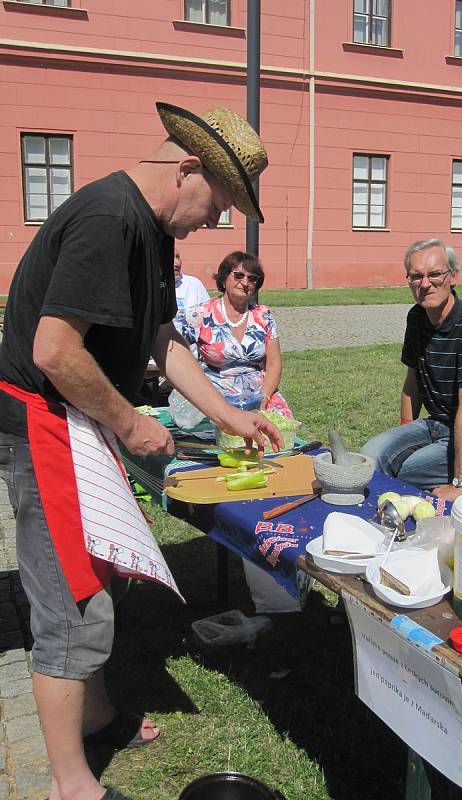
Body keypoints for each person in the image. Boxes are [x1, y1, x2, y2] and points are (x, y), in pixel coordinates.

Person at [0, 101, 282, 800]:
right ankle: (73, 786)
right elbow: (54, 350)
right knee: (72, 600)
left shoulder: (151, 232)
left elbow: (163, 340)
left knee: (101, 572)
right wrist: (129, 424)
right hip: (45, 423)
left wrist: (231, 415)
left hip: (79, 420)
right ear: (186, 168)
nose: (217, 223)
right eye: (219, 204)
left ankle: (94, 715)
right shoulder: (110, 218)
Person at [361, 238, 462, 502]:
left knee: (406, 471)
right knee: (370, 455)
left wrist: (460, 484)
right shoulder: (416, 317)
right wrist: (404, 433)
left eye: (435, 274)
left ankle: (387, 517)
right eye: (417, 276)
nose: (425, 283)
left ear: (452, 276)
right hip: (435, 425)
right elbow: (412, 385)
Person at [194, 251, 293, 417]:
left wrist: (262, 399)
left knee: (280, 433)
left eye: (252, 278)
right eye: (238, 275)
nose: (245, 282)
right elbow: (172, 345)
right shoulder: (202, 314)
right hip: (217, 396)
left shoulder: (263, 315)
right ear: (224, 279)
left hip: (260, 394)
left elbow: (274, 365)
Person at [173, 248, 210, 357]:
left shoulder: (193, 284)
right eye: (171, 257)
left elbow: (209, 319)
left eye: (177, 257)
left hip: (191, 356)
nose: (176, 263)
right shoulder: (149, 286)